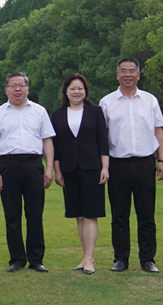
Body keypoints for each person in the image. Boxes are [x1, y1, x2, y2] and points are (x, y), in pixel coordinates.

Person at [99, 58, 163, 273]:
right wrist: (104, 165)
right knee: (119, 215)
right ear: (117, 75)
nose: (128, 74)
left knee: (146, 214)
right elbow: (102, 136)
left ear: (138, 74)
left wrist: (162, 160)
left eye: (132, 71)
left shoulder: (150, 100)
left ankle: (148, 259)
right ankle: (121, 259)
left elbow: (158, 131)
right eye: (123, 71)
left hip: (145, 162)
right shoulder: (106, 102)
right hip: (117, 163)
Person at [0, 72, 55, 273]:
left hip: (34, 165)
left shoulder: (39, 111)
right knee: (12, 215)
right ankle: (17, 259)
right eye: (13, 85)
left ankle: (36, 259)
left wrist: (49, 168)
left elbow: (47, 141)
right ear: (6, 89)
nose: (17, 89)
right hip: (8, 165)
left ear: (27, 88)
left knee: (35, 214)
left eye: (21, 85)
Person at [50, 74, 109, 275]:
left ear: (86, 91)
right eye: (73, 88)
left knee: (91, 214)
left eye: (80, 88)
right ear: (66, 92)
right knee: (79, 216)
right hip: (69, 170)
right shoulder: (57, 114)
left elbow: (103, 141)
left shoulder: (95, 111)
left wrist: (105, 168)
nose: (77, 92)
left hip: (92, 168)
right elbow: (55, 146)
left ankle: (90, 259)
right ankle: (85, 257)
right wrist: (57, 171)